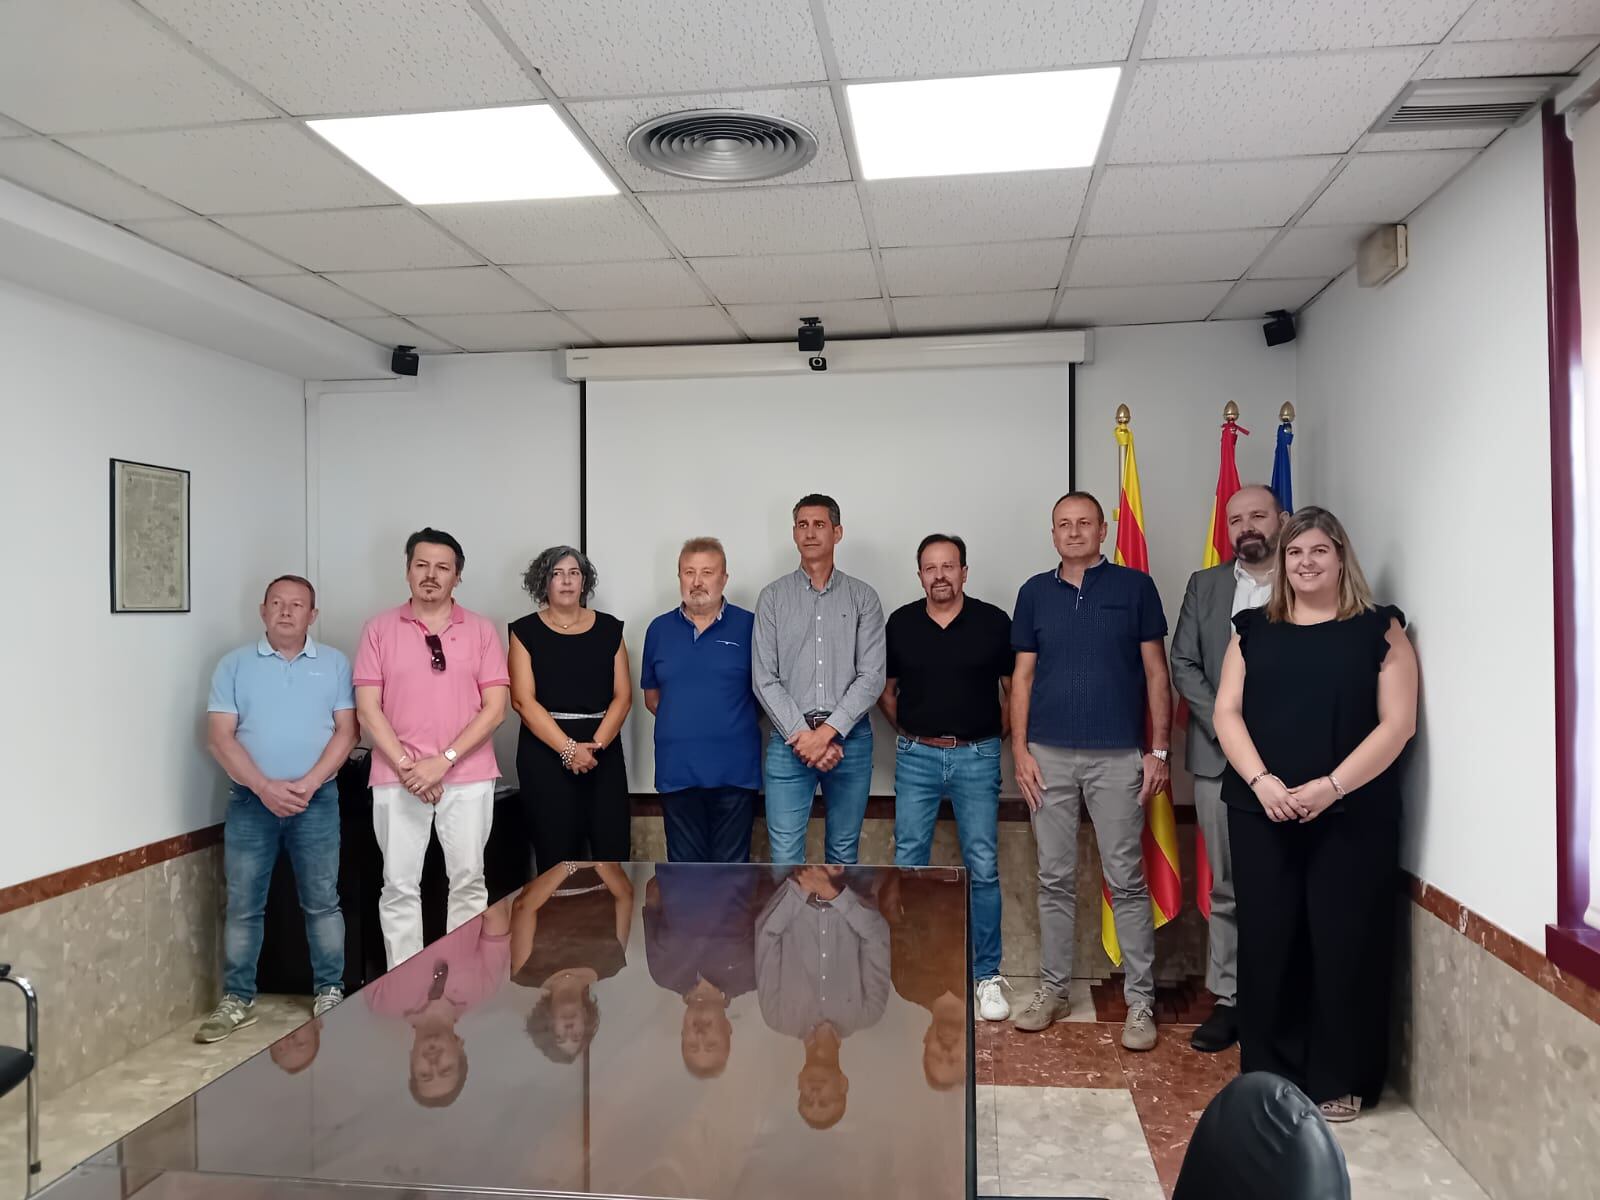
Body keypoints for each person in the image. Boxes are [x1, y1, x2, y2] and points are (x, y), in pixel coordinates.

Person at [1213, 507, 1417, 1123]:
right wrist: (1263, 780)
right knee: (1271, 938)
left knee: (1343, 940)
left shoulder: (1381, 630)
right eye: (1295, 553)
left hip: (1353, 813)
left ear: (1340, 558)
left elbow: (1398, 725)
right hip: (1261, 808)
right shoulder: (1251, 628)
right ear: (1281, 561)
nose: (1305, 563)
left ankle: (1338, 1074)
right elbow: (1227, 713)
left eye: (1319, 551)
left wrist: (1331, 787)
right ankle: (1269, 1074)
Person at [1010, 492, 1171, 1051]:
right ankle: (1053, 990)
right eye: (1063, 524)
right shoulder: (1034, 593)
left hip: (1118, 757)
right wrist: (1021, 751)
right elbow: (1022, 678)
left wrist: (1160, 750)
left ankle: (1140, 1002)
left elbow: (1157, 674)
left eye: (1084, 523)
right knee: (1052, 878)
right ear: (1052, 533)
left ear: (1104, 529)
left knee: (1126, 880)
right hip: (1047, 757)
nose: (1074, 532)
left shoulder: (1135, 589)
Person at [199, 574, 357, 1043]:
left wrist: (308, 784)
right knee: (244, 905)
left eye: (297, 605)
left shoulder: (333, 664)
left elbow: (347, 732)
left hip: (318, 800)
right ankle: (237, 998)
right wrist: (265, 786)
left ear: (314, 615)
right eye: (277, 603)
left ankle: (330, 989)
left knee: (322, 902)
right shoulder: (233, 665)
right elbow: (219, 738)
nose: (287, 611)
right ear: (262, 610)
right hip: (252, 801)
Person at [354, 528, 511, 969]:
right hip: (396, 777)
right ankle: (405, 981)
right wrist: (409, 766)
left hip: (468, 775)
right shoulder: (378, 630)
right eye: (421, 565)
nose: (431, 575)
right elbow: (368, 709)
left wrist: (442, 762)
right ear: (407, 571)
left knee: (467, 882)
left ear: (456, 577)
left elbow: (495, 709)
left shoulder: (480, 630)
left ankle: (460, 980)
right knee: (399, 885)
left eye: (442, 568)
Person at [1169, 484, 1288, 1053]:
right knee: (1228, 888)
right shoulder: (1206, 585)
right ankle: (1230, 998)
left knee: (1287, 883)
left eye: (1258, 516)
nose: (1246, 527)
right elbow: (1183, 662)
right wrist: (1226, 728)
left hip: (1294, 764)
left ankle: (1282, 998)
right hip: (1220, 762)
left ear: (1281, 520)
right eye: (1236, 518)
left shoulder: (1306, 582)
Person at [879, 533, 1013, 1022]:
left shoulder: (994, 622)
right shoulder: (900, 623)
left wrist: (983, 739)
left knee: (983, 865)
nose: (940, 575)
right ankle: (915, 968)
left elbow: (1013, 691)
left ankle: (986, 976)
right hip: (916, 757)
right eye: (930, 567)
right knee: (908, 863)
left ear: (964, 571)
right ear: (920, 575)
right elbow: (886, 692)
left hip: (978, 757)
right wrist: (914, 735)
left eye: (949, 566)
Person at [753, 495, 886, 866]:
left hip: (850, 743)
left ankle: (836, 928)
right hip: (788, 743)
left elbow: (872, 676)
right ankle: (795, 928)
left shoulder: (864, 598)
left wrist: (827, 733)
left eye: (819, 524)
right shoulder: (772, 598)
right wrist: (804, 737)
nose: (810, 533)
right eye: (802, 525)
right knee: (784, 861)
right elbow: (764, 678)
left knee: (843, 857)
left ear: (837, 532)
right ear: (794, 534)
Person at [509, 546, 632, 873]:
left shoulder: (610, 629)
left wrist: (593, 748)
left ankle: (617, 926)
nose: (566, 581)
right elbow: (522, 700)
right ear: (543, 582)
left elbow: (623, 697)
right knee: (555, 858)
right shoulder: (524, 632)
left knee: (613, 852)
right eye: (557, 574)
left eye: (574, 573)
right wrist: (568, 750)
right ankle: (556, 925)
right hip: (545, 752)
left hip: (601, 751)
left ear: (584, 581)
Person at [641, 538, 761, 863]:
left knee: (732, 881)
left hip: (735, 773)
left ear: (724, 578)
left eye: (707, 572)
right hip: (677, 772)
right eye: (688, 572)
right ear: (679, 577)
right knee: (684, 881)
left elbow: (766, 695)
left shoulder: (751, 627)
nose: (697, 581)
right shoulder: (658, 630)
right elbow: (652, 698)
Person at [756, 866, 890, 1129]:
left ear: (799, 1084)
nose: (815, 1096)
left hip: (790, 884)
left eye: (806, 1100)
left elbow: (766, 935)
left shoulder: (777, 1017)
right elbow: (876, 935)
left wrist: (804, 885)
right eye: (825, 1101)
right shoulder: (868, 1013)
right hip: (852, 884)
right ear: (843, 1084)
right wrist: (831, 891)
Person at [364, 896, 513, 1107]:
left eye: (424, 1074)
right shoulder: (485, 989)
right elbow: (496, 913)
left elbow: (369, 922)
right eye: (446, 1069)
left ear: (412, 1062)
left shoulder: (380, 1002)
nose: (433, 1063)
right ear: (460, 1051)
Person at [643, 864, 762, 1078]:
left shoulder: (663, 973)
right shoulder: (751, 975)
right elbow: (764, 899)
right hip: (733, 863)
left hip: (679, 865)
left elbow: (652, 898)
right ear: (728, 1029)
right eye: (711, 1044)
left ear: (682, 1034)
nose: (699, 1035)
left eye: (691, 1045)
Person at [510, 861, 634, 1063]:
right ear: (586, 1023)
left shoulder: (526, 972)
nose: (568, 1029)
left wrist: (570, 864)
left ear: (548, 1024)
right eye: (576, 1035)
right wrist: (596, 861)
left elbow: (523, 906)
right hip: (601, 866)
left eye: (559, 1036)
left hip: (544, 861)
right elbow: (625, 896)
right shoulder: (611, 964)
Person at [878, 868, 968, 1091]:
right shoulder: (982, 993)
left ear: (926, 1040)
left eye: (937, 1056)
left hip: (917, 870)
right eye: (954, 1060)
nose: (946, 1052)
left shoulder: (907, 985)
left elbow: (893, 915)